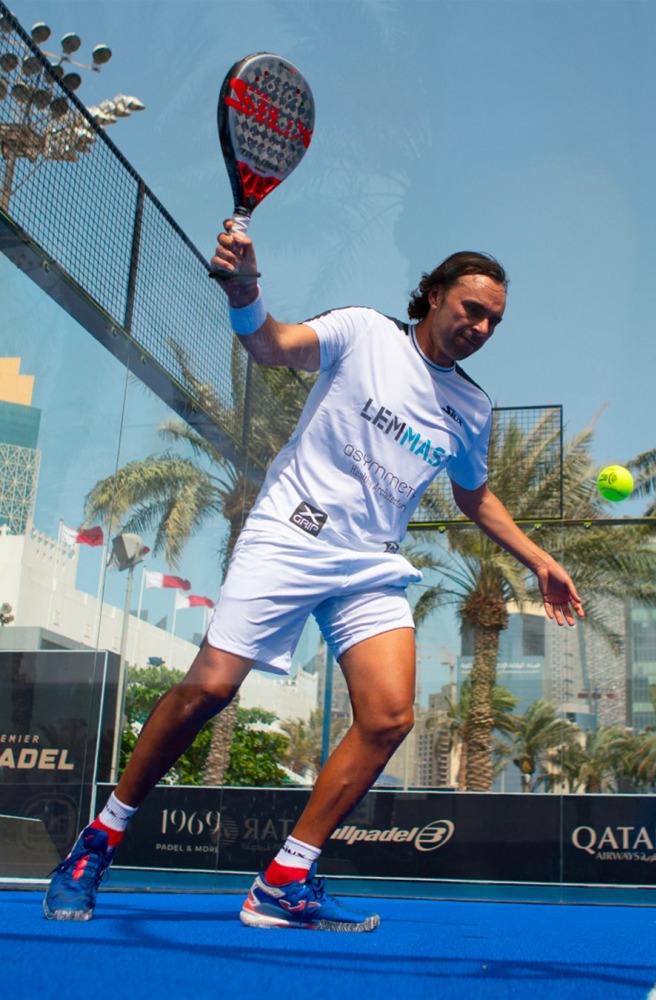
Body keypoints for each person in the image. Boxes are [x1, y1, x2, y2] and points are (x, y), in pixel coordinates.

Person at [43, 222, 584, 931]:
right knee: (209, 688)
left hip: (369, 563)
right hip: (289, 533)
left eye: (493, 320)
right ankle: (98, 840)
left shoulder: (471, 407)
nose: (480, 327)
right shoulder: (364, 332)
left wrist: (539, 559)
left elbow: (473, 495)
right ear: (432, 297)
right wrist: (244, 290)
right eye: (470, 309)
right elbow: (271, 346)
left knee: (389, 716)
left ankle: (285, 878)